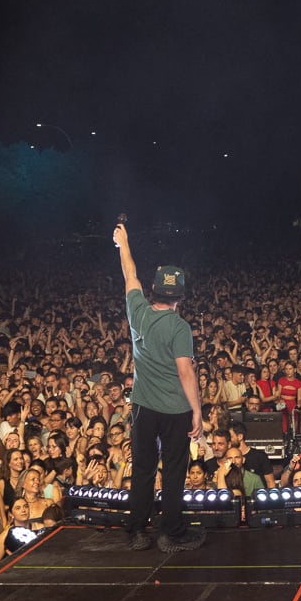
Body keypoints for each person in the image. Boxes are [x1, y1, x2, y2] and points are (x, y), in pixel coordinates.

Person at [113, 219, 203, 553]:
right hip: (175, 410)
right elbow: (186, 372)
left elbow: (129, 275)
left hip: (142, 407)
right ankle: (171, 532)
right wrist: (198, 412)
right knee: (175, 470)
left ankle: (137, 531)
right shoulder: (180, 328)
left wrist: (124, 243)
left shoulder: (137, 311)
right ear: (180, 296)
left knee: (143, 468)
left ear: (153, 290)